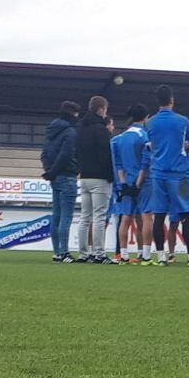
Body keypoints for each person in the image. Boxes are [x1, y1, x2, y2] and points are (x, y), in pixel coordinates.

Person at [144, 85, 189, 267]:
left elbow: (149, 146)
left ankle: (161, 257)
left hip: (158, 174)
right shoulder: (183, 121)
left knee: (158, 215)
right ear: (172, 100)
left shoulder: (149, 123)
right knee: (186, 215)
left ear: (157, 101)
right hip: (179, 175)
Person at [75, 95, 116, 264]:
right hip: (100, 178)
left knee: (85, 217)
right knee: (99, 216)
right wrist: (110, 176)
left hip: (84, 177)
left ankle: (83, 253)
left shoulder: (81, 128)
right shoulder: (101, 130)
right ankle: (99, 253)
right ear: (101, 109)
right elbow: (105, 156)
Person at [41, 100, 80, 263]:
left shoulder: (52, 132)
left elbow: (44, 154)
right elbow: (66, 155)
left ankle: (57, 252)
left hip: (55, 178)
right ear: (73, 114)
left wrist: (50, 172)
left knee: (56, 216)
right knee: (66, 216)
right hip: (67, 176)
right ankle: (64, 252)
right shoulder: (70, 132)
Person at [111, 104, 150, 264]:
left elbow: (118, 163)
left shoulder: (119, 138)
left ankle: (124, 254)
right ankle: (144, 254)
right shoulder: (144, 135)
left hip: (124, 183)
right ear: (145, 118)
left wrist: (123, 183)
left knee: (125, 218)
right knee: (145, 218)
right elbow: (145, 162)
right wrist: (138, 184)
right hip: (142, 183)